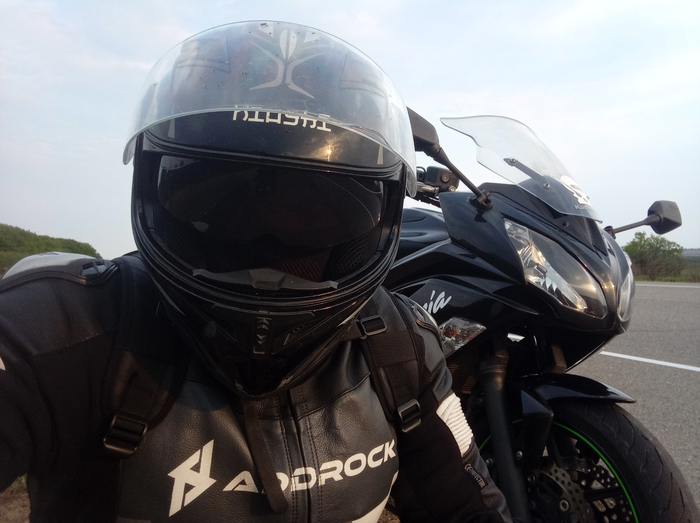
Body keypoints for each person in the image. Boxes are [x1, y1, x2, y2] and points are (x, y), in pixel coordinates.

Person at [0, 21, 512, 522]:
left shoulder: (399, 343)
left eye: (312, 212)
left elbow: (471, 507)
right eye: (232, 207)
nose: (270, 247)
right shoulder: (63, 329)